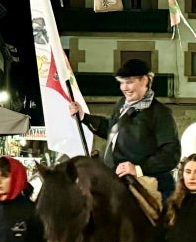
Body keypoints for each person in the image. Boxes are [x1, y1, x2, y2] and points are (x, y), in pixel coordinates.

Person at [69, 57, 181, 201]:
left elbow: (171, 154)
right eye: (121, 83)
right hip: (114, 180)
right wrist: (84, 117)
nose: (124, 88)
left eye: (129, 82)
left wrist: (138, 169)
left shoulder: (161, 113)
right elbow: (111, 130)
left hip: (147, 184)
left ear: (145, 80)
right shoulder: (122, 104)